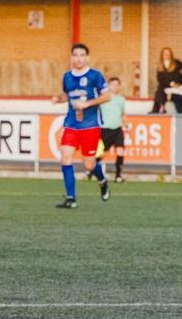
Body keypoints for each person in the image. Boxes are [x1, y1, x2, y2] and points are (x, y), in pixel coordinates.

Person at [52, 43, 111, 208]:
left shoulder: (95, 76)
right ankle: (71, 199)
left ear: (87, 58)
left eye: (81, 55)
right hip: (71, 124)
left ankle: (102, 180)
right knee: (65, 157)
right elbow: (68, 96)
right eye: (75, 55)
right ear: (71, 58)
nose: (78, 58)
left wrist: (87, 104)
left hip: (90, 125)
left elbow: (107, 97)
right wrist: (59, 99)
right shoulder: (67, 77)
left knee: (89, 164)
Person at [97, 76, 127, 182]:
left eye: (116, 85)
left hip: (117, 129)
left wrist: (125, 124)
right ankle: (92, 168)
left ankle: (118, 175)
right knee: (101, 153)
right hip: (105, 129)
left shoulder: (121, 99)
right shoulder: (103, 98)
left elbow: (123, 114)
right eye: (112, 84)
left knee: (120, 151)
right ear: (108, 86)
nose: (114, 87)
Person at [152, 47, 180, 114]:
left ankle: (156, 109)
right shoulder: (160, 65)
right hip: (164, 85)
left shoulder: (175, 64)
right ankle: (161, 107)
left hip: (172, 85)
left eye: (168, 53)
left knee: (159, 90)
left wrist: (172, 83)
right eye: (165, 53)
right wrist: (168, 82)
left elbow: (176, 76)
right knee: (160, 88)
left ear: (171, 54)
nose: (166, 55)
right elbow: (159, 78)